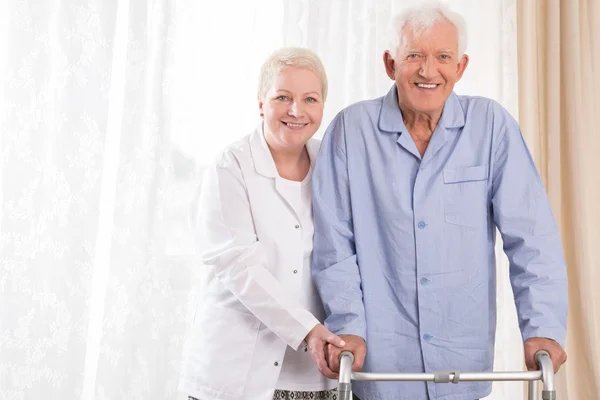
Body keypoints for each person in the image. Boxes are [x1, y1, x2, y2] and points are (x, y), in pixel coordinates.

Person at [310, 3, 568, 400]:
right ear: (389, 63)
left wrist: (543, 328)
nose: (428, 71)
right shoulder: (350, 131)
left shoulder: (492, 127)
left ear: (461, 67)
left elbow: (531, 237)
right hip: (380, 365)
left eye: (443, 57)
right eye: (414, 55)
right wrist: (348, 326)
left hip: (460, 363)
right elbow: (334, 245)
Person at [178, 47, 345, 400]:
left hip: (312, 374)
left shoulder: (332, 164)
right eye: (283, 97)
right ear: (260, 103)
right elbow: (238, 266)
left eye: (310, 99)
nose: (296, 110)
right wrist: (308, 330)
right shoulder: (232, 166)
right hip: (236, 372)